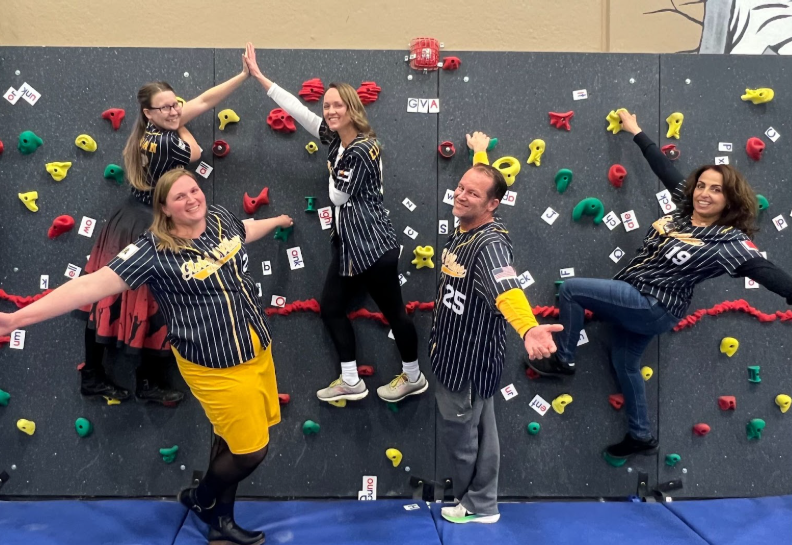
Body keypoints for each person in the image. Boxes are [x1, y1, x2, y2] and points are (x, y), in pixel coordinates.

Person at [0, 170, 291, 545]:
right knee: (251, 452)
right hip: (213, 362)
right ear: (164, 208)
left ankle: (221, 518)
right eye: (179, 197)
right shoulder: (152, 251)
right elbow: (89, 285)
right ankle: (202, 498)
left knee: (230, 438)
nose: (191, 199)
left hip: (254, 345)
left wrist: (279, 220)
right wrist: (17, 318)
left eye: (194, 190)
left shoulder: (218, 218)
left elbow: (245, 231)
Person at [528, 110, 792, 460]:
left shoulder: (730, 242)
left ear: (730, 198)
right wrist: (636, 131)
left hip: (653, 304)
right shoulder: (686, 208)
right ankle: (641, 435)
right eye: (702, 185)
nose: (705, 194)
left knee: (574, 289)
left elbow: (769, 273)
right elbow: (663, 168)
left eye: (716, 190)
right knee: (625, 363)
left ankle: (564, 360)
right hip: (640, 300)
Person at [243, 43, 424, 404]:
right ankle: (351, 380)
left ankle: (413, 376)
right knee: (330, 307)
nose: (329, 111)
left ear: (352, 109)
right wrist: (262, 79)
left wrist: (333, 162)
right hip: (349, 248)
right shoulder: (337, 142)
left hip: (373, 247)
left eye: (337, 105)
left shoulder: (361, 148)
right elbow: (298, 112)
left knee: (394, 313)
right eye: (326, 106)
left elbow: (339, 196)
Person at [80, 60, 252, 407]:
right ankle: (145, 379)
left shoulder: (145, 133)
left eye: (176, 104)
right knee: (155, 301)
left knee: (110, 299)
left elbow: (202, 102)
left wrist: (243, 75)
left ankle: (95, 374)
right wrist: (182, 124)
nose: (175, 110)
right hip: (150, 226)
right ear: (148, 112)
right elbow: (197, 151)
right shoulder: (166, 143)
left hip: (130, 217)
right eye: (167, 107)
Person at [433, 132, 562, 524]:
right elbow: (479, 183)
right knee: (484, 432)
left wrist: (528, 330)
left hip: (466, 364)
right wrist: (479, 154)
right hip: (464, 358)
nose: (461, 195)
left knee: (463, 441)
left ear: (493, 204)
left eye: (473, 193)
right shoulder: (468, 225)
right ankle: (484, 500)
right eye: (460, 188)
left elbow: (507, 290)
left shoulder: (488, 244)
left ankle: (474, 505)